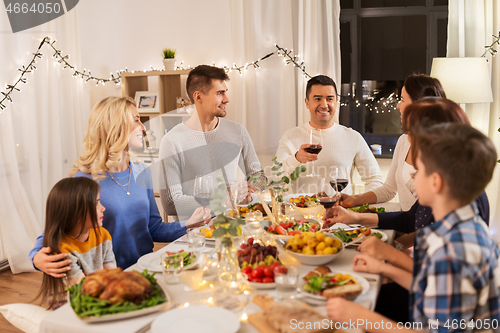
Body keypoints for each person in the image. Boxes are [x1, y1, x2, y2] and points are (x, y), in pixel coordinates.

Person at [327, 123, 500, 332]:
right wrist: (384, 268)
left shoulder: (450, 250)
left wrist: (359, 317)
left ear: (436, 182)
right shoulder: (460, 226)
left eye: (419, 170)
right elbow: (432, 287)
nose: (413, 176)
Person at [30, 97, 210, 274]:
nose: (142, 127)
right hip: (107, 279)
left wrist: (188, 224)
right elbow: (54, 230)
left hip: (145, 269)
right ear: (115, 126)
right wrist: (36, 257)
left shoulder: (142, 172)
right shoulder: (85, 181)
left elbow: (153, 229)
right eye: (137, 120)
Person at [323, 98, 490, 232]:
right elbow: (411, 219)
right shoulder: (446, 183)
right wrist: (354, 217)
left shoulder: (455, 203)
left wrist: (393, 252)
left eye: (413, 132)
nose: (409, 139)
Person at [159, 65, 266, 220]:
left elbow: (259, 176)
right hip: (195, 234)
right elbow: (170, 203)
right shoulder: (172, 141)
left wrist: (250, 189)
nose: (226, 99)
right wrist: (224, 201)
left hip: (234, 226)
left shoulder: (238, 131)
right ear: (198, 97)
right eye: (219, 93)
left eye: (225, 92)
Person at [340, 74, 446, 211]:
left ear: (418, 105)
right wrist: (354, 199)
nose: (398, 105)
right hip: (404, 224)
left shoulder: (442, 150)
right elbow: (389, 190)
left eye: (402, 100)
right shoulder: (404, 142)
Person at [275, 75, 383, 195]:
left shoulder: (353, 137)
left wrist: (356, 204)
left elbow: (376, 180)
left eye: (329, 99)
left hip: (340, 212)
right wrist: (296, 159)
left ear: (336, 102)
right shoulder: (290, 137)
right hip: (302, 212)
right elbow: (275, 179)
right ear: (307, 103)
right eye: (317, 99)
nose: (324, 105)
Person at [35, 177, 116, 309]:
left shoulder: (103, 235)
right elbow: (83, 290)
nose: (103, 208)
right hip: (70, 304)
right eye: (96, 203)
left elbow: (112, 274)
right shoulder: (63, 249)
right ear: (76, 213)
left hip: (98, 294)